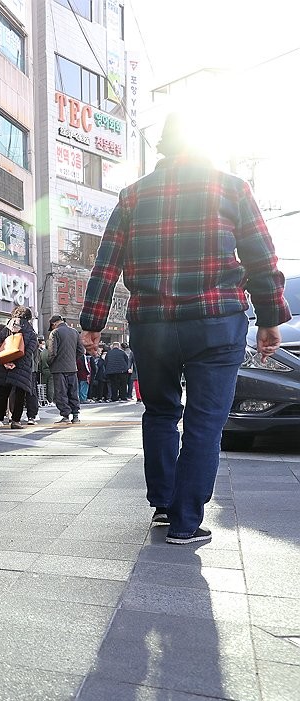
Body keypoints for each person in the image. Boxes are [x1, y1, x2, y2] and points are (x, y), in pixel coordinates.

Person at [79, 111, 291, 545]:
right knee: (205, 422)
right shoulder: (232, 188)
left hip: (152, 324)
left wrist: (92, 323)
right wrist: (269, 318)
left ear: (164, 146)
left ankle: (163, 503)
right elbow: (261, 258)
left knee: (159, 412)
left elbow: (107, 264)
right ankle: (186, 521)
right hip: (216, 322)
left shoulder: (133, 196)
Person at [0, 306, 38, 430]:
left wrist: (5, 362)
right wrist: (16, 364)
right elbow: (29, 352)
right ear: (28, 318)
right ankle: (15, 421)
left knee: (2, 393)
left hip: (3, 365)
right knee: (19, 394)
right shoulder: (31, 332)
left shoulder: (6, 329)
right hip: (21, 367)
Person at [47, 314, 84, 423]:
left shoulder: (55, 333)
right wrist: (73, 359)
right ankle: (76, 415)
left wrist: (50, 363)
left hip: (58, 368)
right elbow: (81, 351)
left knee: (61, 392)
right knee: (73, 391)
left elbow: (52, 352)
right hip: (72, 368)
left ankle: (65, 416)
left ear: (54, 324)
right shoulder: (75, 332)